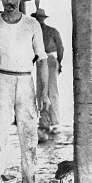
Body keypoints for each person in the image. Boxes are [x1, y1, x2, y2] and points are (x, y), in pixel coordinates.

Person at [0, 0, 51, 183]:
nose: (10, 0)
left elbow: (42, 60)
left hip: (25, 82)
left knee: (29, 135)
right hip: (0, 81)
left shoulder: (32, 24)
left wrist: (44, 94)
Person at [31, 8, 64, 138]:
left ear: (43, 18)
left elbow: (60, 48)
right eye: (37, 17)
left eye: (40, 17)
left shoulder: (52, 31)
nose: (38, 20)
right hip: (40, 60)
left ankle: (55, 123)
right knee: (41, 92)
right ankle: (44, 123)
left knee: (52, 91)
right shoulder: (34, 32)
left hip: (50, 59)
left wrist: (59, 62)